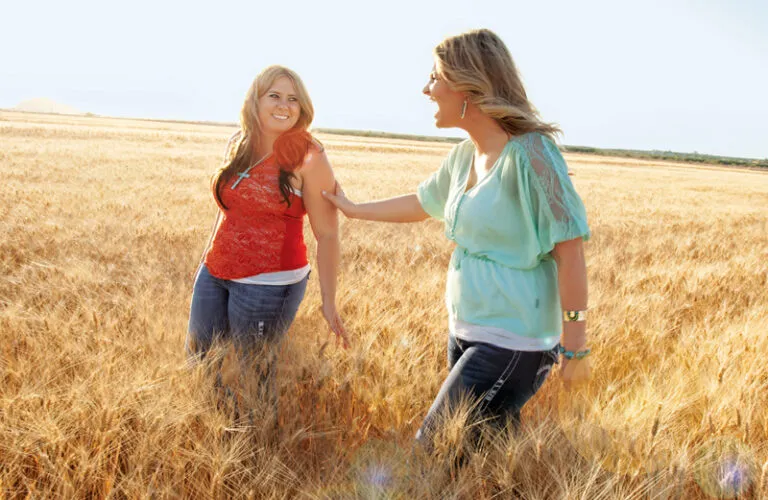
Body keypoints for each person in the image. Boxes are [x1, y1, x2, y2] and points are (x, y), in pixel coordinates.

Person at [323, 29, 591, 446]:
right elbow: (423, 201)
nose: (426, 88)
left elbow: (570, 251)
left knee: (431, 451)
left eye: (435, 77)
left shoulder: (532, 154)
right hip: (465, 330)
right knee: (484, 462)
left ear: (469, 85)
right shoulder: (465, 155)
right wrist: (356, 209)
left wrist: (575, 348)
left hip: (515, 340)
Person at [187, 65, 348, 422]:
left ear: (302, 107)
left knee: (255, 375)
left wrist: (328, 299)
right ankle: (225, 437)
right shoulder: (239, 143)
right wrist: (205, 262)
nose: (284, 105)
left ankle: (260, 452)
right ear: (255, 101)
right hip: (215, 273)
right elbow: (227, 208)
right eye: (274, 95)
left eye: (293, 99)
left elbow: (327, 233)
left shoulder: (309, 155)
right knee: (199, 363)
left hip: (268, 284)